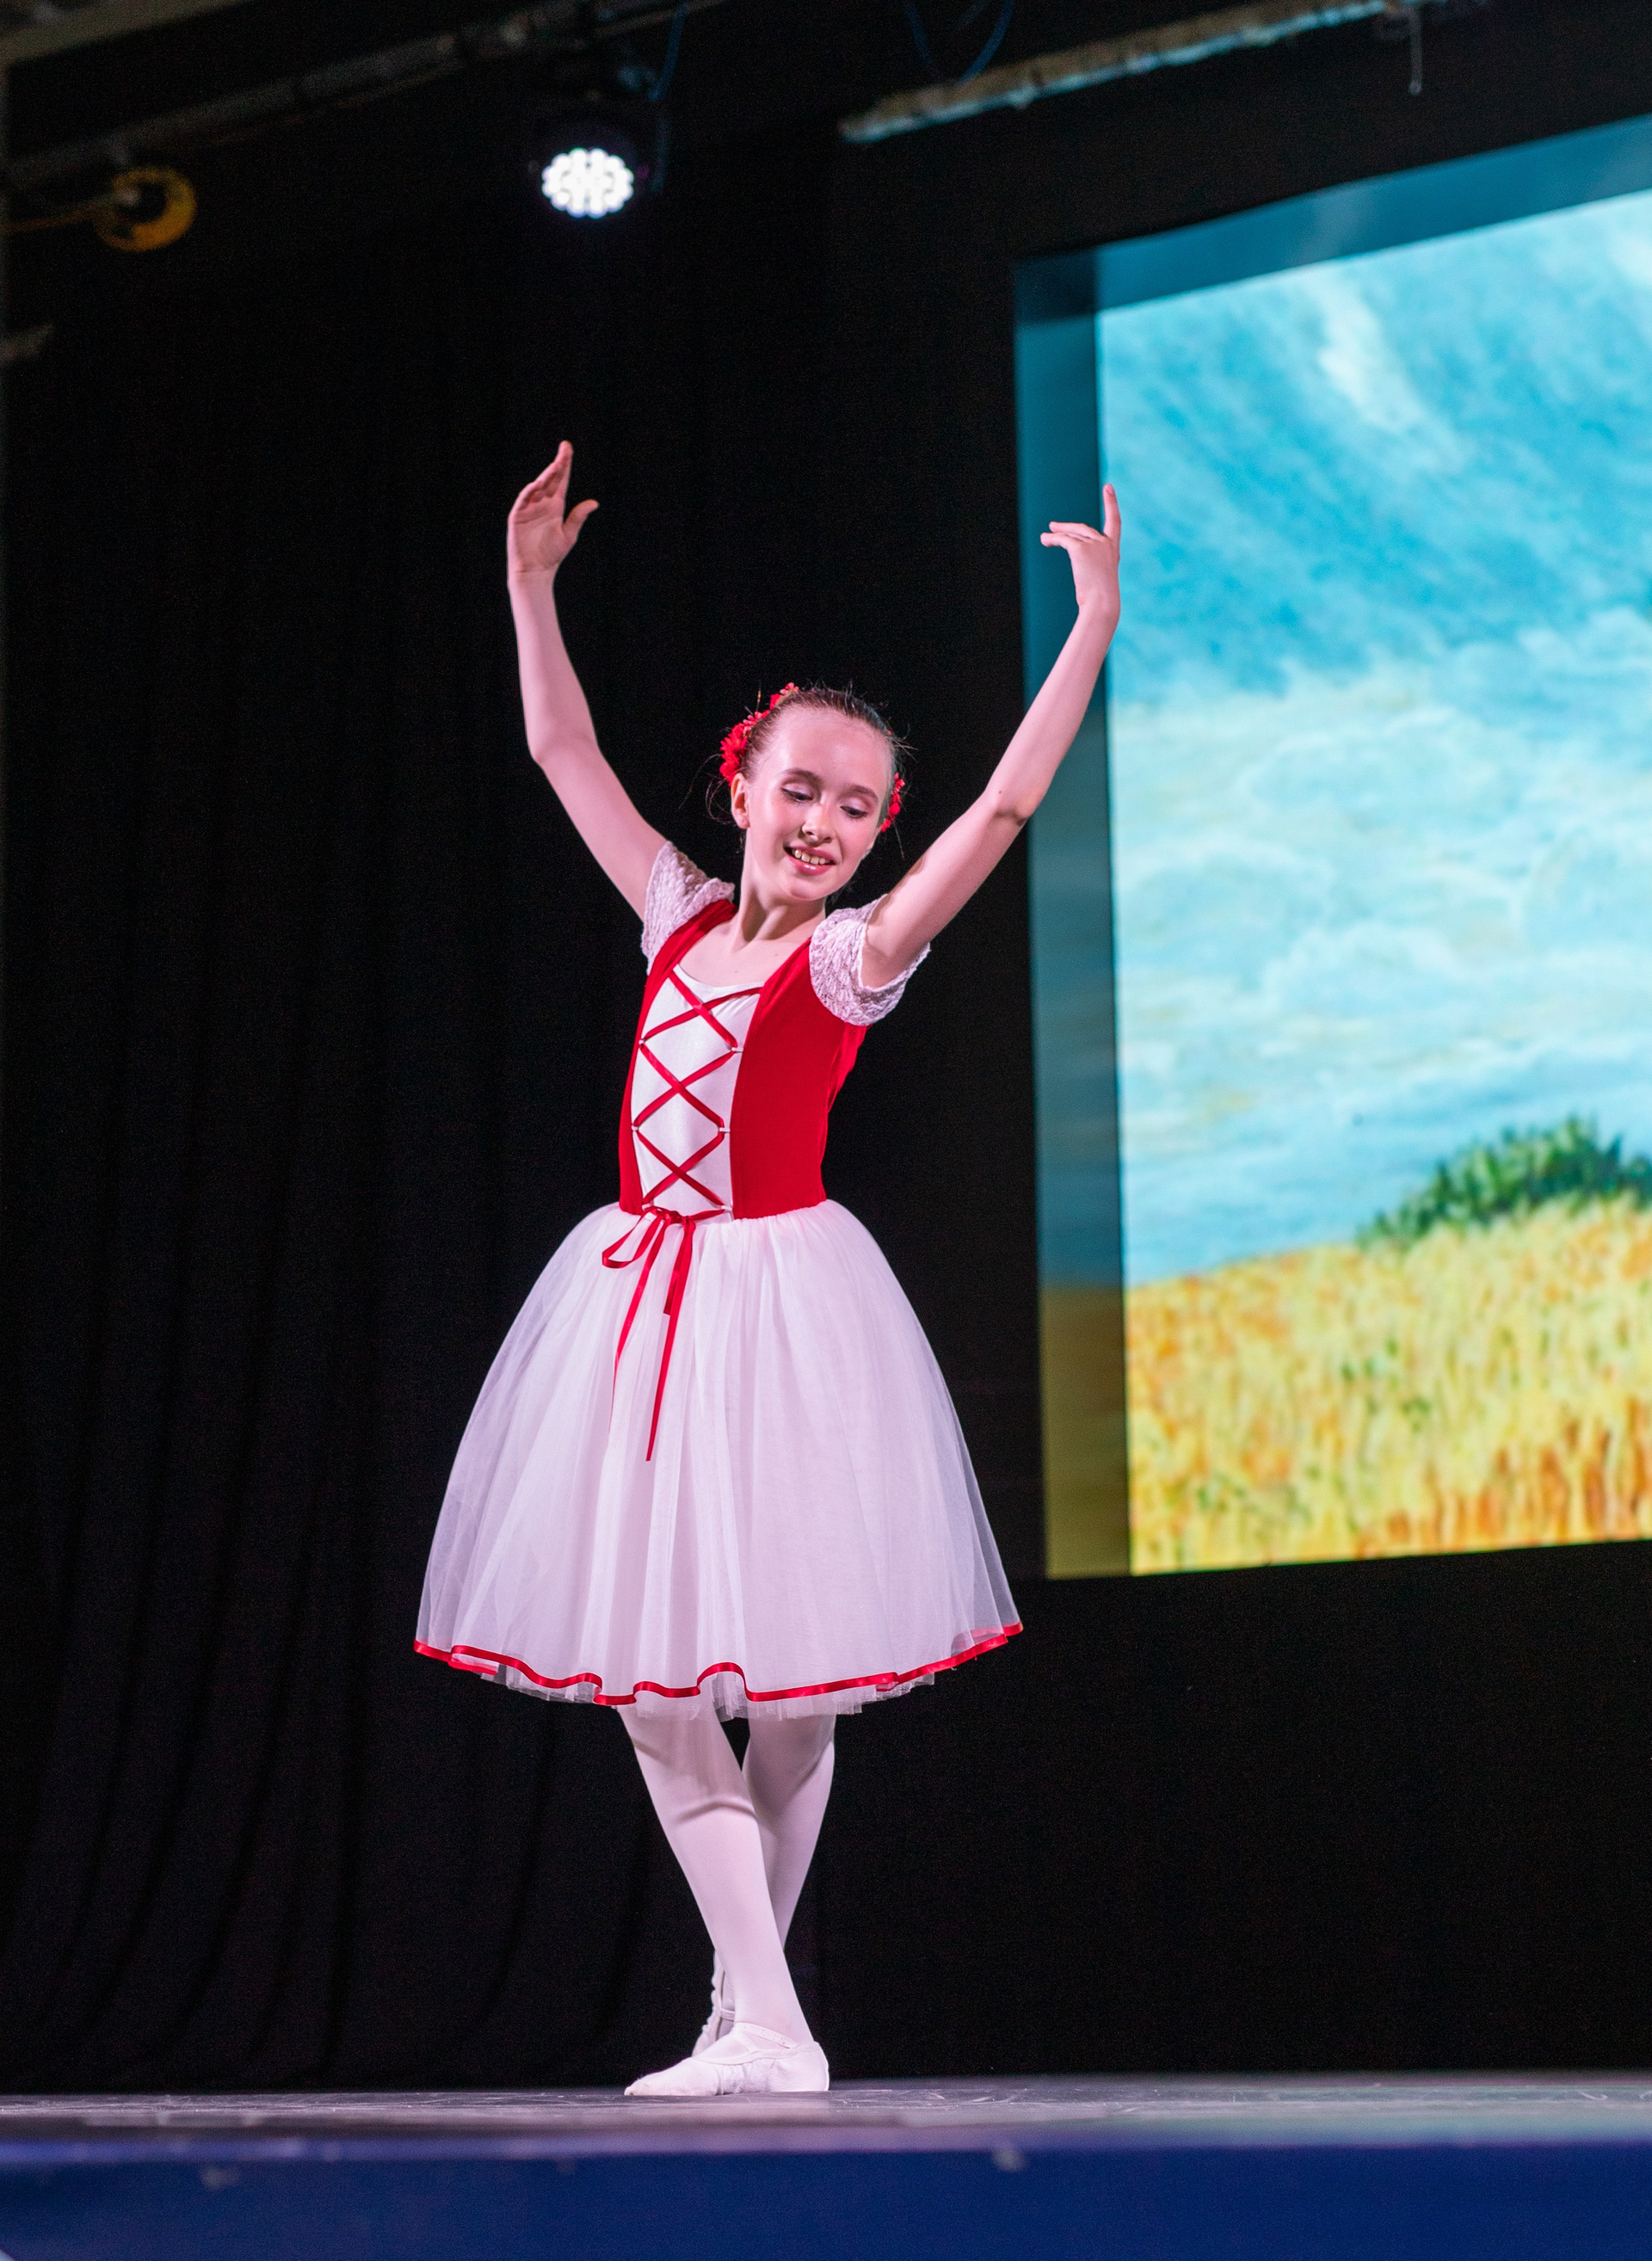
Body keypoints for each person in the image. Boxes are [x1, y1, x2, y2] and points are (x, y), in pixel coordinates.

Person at [417, 443, 1122, 2098]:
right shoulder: (673, 915)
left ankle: (761, 2024)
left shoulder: (854, 958)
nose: (825, 824)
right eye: (801, 789)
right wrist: (528, 589)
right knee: (661, 1687)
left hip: (786, 1316)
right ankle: (759, 2019)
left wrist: (1088, 630)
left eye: (858, 808)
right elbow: (562, 748)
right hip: (641, 1311)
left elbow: (1005, 808)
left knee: (795, 1697)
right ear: (743, 787)